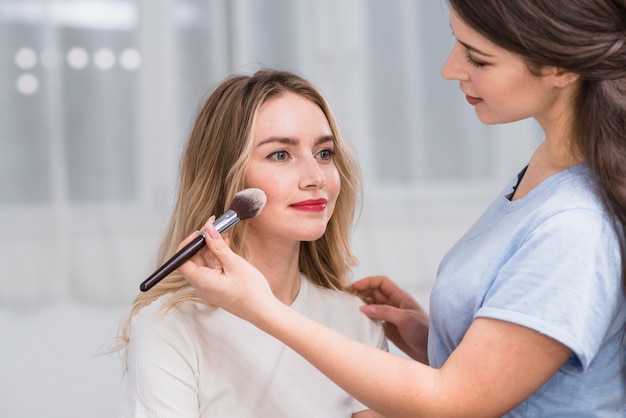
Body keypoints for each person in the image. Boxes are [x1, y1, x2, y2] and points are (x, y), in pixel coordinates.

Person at [176, 0, 626, 416]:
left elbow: (454, 403)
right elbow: (519, 370)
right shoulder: (544, 170)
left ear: (559, 67)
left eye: (478, 57)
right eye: (279, 154)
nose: (451, 69)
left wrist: (261, 308)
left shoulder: (576, 225)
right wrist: (439, 340)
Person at [116, 69, 388, 417]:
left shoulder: (356, 320)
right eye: (280, 155)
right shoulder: (171, 327)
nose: (316, 177)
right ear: (226, 175)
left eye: (324, 153)